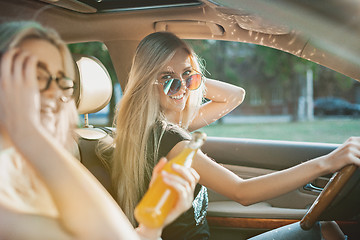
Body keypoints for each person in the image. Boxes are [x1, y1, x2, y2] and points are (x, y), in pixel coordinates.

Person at [109, 31, 360, 239]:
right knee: (326, 230)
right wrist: (327, 162)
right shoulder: (172, 140)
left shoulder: (162, 129)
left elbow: (235, 95)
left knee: (326, 228)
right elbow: (243, 192)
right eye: (166, 78)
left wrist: (185, 81)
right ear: (146, 83)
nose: (182, 87)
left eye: (189, 75)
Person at [0, 21, 200, 240]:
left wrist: (151, 227)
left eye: (62, 81)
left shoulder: (42, 169)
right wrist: (30, 134)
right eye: (34, 77)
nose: (54, 93)